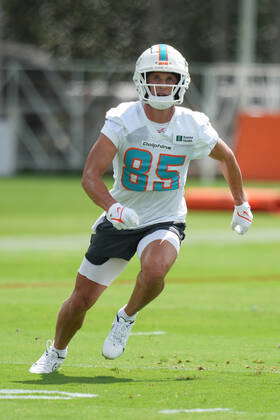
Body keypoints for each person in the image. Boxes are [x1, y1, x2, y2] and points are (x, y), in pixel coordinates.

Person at [29, 44, 253, 374]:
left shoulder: (193, 125)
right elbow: (90, 176)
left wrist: (241, 202)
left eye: (169, 78)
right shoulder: (123, 120)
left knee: (155, 270)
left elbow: (227, 157)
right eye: (156, 78)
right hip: (122, 218)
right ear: (142, 81)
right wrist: (113, 208)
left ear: (181, 82)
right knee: (81, 300)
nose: (162, 85)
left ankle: (126, 316)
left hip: (165, 217)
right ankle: (56, 352)